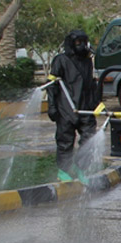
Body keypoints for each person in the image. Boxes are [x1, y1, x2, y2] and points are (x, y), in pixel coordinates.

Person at [47, 29, 100, 182]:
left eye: (84, 42)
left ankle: (80, 168)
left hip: (85, 109)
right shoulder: (61, 60)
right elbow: (52, 84)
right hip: (66, 109)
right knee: (65, 141)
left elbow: (90, 85)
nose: (82, 46)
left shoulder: (87, 62)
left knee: (89, 139)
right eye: (78, 42)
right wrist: (52, 106)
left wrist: (96, 104)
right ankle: (63, 171)